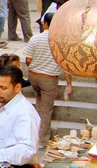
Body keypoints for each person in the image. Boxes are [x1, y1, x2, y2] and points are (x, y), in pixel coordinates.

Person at [24, 12, 74, 146]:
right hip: (49, 79)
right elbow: (65, 66)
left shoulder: (35, 39)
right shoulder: (60, 41)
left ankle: (34, 134)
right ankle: (42, 141)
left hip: (33, 76)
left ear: (45, 23)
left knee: (39, 104)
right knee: (46, 111)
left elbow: (28, 59)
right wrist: (69, 83)